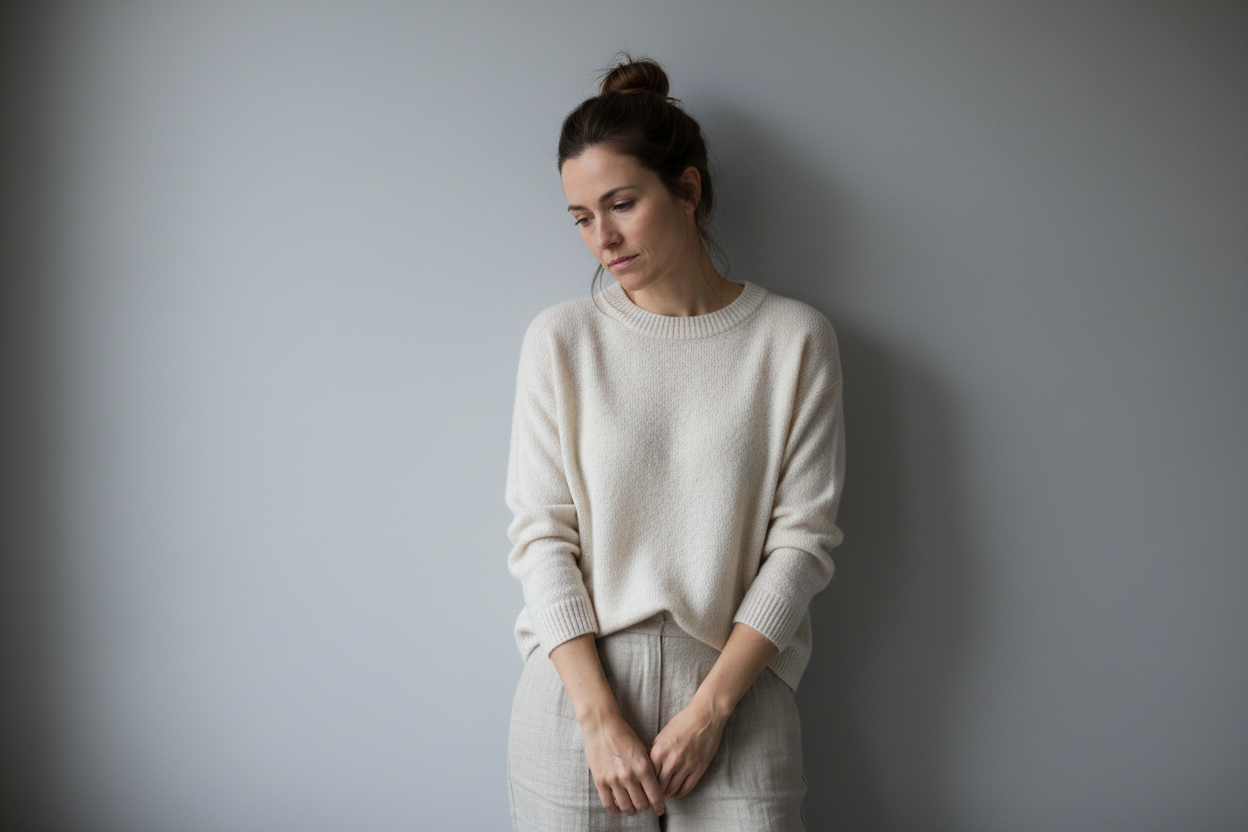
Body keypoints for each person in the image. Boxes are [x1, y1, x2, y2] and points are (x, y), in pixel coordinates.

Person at [504, 55, 845, 832]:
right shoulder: (562, 340)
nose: (603, 237)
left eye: (621, 204)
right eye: (582, 217)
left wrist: (712, 708)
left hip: (737, 685)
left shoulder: (792, 340)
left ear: (686, 190)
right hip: (579, 689)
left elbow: (803, 543)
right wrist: (596, 717)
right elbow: (540, 534)